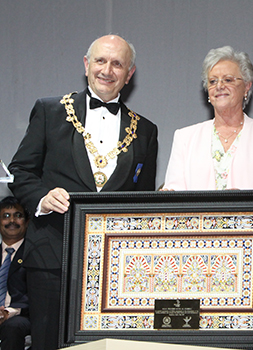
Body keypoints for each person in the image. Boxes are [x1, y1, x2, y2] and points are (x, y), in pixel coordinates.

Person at [7, 34, 158, 350]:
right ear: (87, 65)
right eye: (101, 61)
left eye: (117, 63)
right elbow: (20, 171)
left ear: (129, 74)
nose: (107, 70)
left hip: (115, 268)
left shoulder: (145, 130)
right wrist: (43, 199)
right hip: (51, 257)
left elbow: (142, 203)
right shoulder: (50, 111)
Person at [163, 46, 253, 190]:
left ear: (247, 86)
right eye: (213, 81)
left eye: (228, 80)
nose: (219, 86)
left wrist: (242, 204)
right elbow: (174, 196)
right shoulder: (184, 138)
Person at [0, 197, 30, 350]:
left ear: (27, 222)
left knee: (13, 327)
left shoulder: (35, 255)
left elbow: (37, 297)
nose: (12, 220)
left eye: (18, 215)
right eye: (6, 216)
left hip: (21, 315)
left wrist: (8, 312)